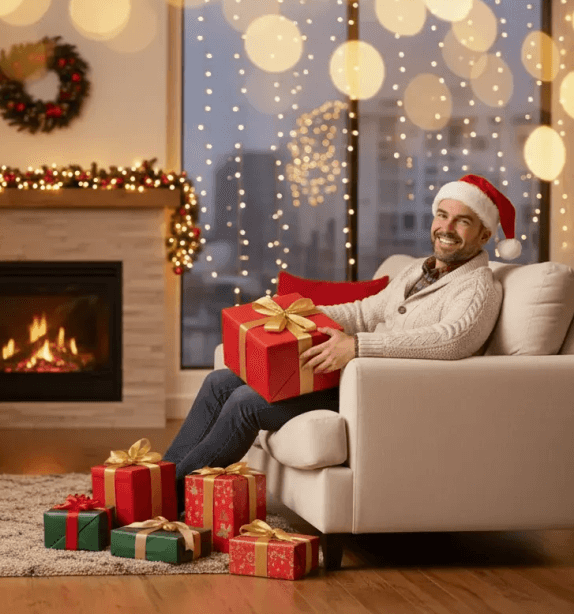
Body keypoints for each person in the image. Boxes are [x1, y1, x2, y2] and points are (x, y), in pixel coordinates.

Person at [163, 174, 518, 493]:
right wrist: (299, 316)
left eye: (463, 221)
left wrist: (359, 346)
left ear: (485, 234)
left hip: (380, 391)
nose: (447, 227)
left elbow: (452, 339)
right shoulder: (417, 270)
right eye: (443, 215)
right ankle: (158, 478)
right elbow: (366, 311)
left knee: (245, 405)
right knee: (220, 382)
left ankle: (168, 498)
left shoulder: (478, 288)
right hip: (349, 378)